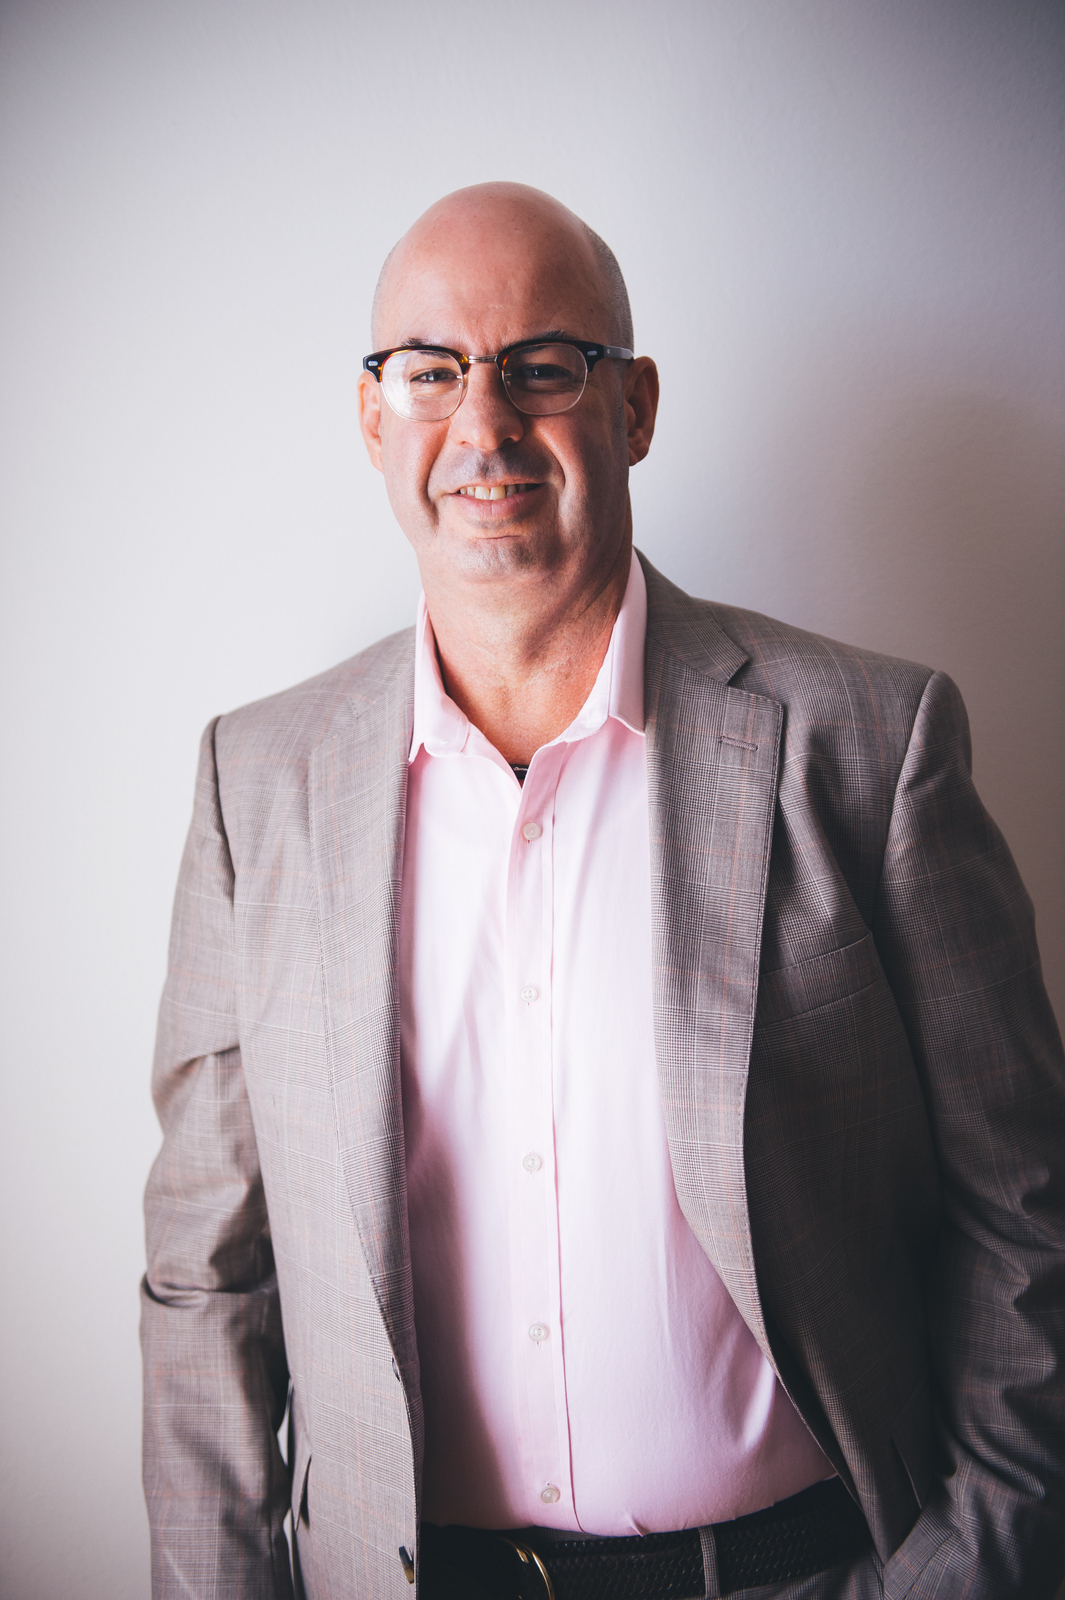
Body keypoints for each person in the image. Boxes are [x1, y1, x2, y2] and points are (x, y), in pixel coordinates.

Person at [141, 183, 1065, 1600]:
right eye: (432, 370)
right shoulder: (253, 784)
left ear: (632, 407)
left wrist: (969, 1569)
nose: (484, 423)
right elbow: (207, 1276)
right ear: (373, 416)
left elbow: (1024, 1214)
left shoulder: (869, 749)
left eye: (542, 367)